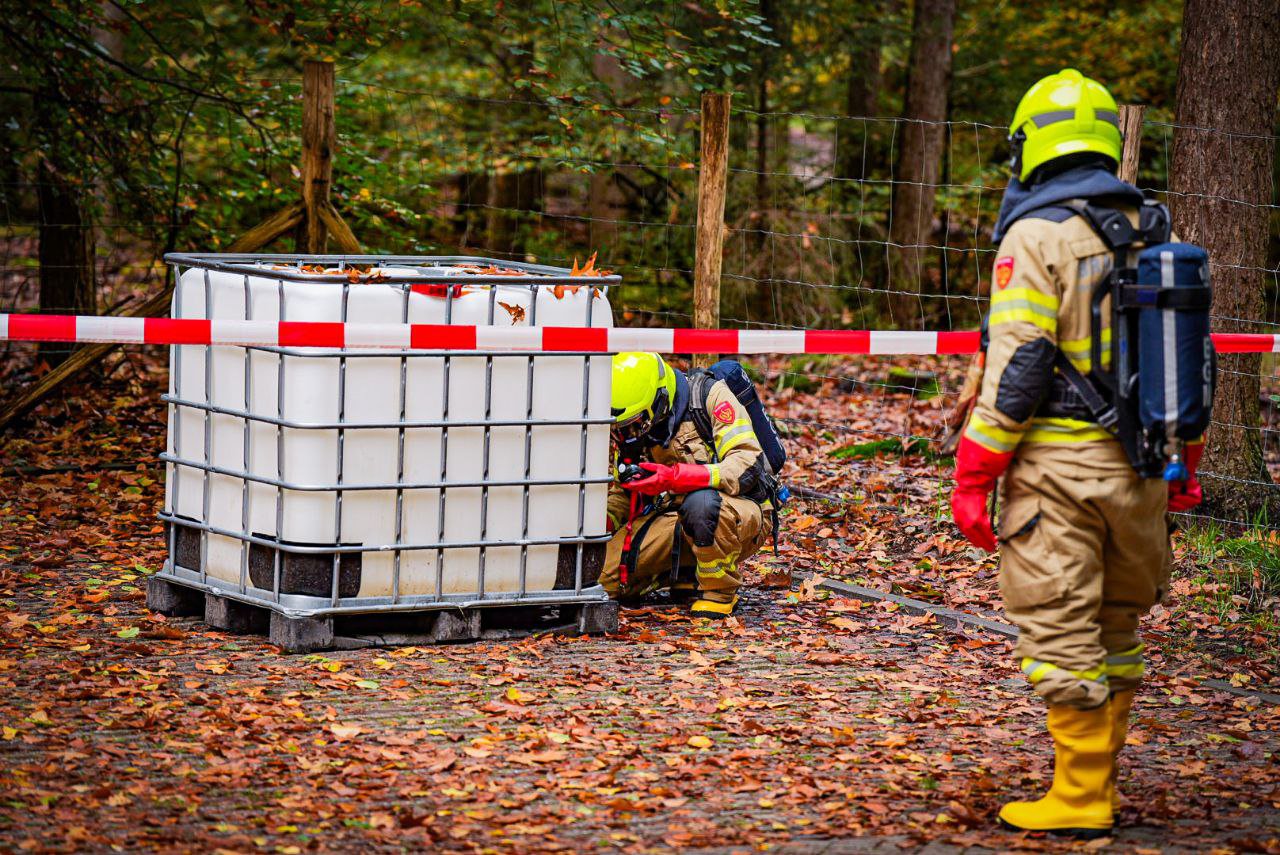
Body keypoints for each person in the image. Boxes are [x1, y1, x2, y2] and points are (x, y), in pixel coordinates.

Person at [950, 69, 1206, 838]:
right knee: (1116, 626)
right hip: (1143, 468)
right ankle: (1100, 775)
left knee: (1062, 628)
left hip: (1058, 471)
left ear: (1031, 144)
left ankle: (1081, 794)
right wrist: (1183, 460)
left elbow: (1021, 360)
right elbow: (1193, 356)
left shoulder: (1035, 234)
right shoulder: (1152, 228)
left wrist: (974, 471)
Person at [600, 352, 775, 619]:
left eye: (635, 424)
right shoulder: (634, 431)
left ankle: (719, 592)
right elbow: (622, 495)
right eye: (622, 427)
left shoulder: (711, 397)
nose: (628, 434)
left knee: (703, 505)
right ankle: (676, 572)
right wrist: (603, 525)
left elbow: (746, 464)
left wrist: (676, 477)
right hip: (671, 518)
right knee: (602, 581)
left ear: (658, 402)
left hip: (738, 511)